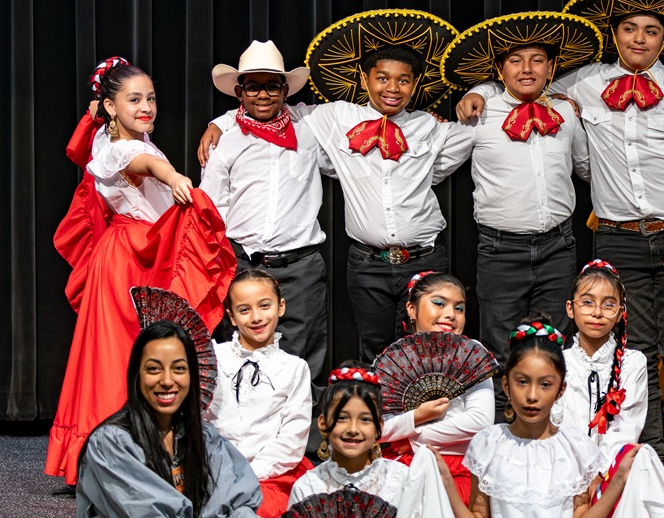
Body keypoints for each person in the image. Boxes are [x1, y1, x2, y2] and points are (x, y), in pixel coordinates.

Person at [456, 0, 664, 460]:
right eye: (629, 28)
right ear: (615, 34)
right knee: (631, 350)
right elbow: (526, 80)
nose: (639, 39)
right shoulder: (584, 83)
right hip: (617, 237)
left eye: (650, 31)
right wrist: (481, 90)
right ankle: (640, 450)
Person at [201, 12, 471, 363]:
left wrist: (479, 97)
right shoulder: (331, 118)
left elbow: (457, 150)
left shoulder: (426, 127)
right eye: (382, 78)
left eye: (403, 81)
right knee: (370, 345)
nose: (392, 87)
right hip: (330, 261)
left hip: (415, 255)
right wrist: (218, 122)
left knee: (426, 344)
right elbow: (255, 118)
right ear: (364, 79)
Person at [50, 57, 234, 485]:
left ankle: (118, 455)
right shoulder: (122, 148)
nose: (146, 106)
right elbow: (148, 165)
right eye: (133, 100)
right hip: (133, 257)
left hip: (134, 251)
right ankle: (120, 456)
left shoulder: (105, 137)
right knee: (123, 356)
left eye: (150, 98)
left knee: (128, 354)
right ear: (111, 106)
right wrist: (174, 178)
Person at [437, 11, 601, 371]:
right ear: (500, 70)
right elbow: (436, 169)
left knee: (554, 347)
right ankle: (501, 422)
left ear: (551, 66)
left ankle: (551, 426)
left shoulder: (565, 113)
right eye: (515, 60)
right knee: (500, 347)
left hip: (559, 248)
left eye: (537, 60)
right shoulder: (479, 114)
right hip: (500, 251)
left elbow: (587, 168)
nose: (526, 69)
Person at [198, 40, 333, 412]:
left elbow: (355, 120)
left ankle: (303, 445)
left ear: (285, 89)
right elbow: (211, 207)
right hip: (243, 262)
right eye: (253, 86)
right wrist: (218, 122)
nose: (262, 94)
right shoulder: (225, 139)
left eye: (272, 85)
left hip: (301, 265)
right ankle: (242, 434)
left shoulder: (310, 128)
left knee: (304, 356)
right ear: (239, 91)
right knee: (239, 350)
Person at [442, 316, 637, 518]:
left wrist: (618, 480)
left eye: (545, 384)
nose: (532, 395)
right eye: (522, 382)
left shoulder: (575, 447)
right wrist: (446, 484)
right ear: (506, 385)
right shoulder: (488, 444)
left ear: (560, 389)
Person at [76, 321, 268, 518]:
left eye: (178, 369)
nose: (167, 381)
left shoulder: (202, 436)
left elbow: (229, 501)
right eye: (154, 369)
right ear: (136, 375)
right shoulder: (110, 443)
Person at [285, 363, 469, 518]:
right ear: (323, 423)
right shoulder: (308, 486)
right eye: (342, 418)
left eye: (365, 420)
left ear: (380, 427)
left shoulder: (402, 480)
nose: (353, 429)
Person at [205, 269, 314, 518]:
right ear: (231, 316)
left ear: (281, 306)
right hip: (215, 471)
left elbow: (291, 440)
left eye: (265, 306)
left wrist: (247, 474)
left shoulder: (294, 368)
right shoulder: (214, 358)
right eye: (244, 310)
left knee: (256, 514)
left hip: (268, 476)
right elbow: (201, 422)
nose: (256, 317)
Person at [376, 271, 493, 504]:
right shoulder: (394, 360)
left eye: (459, 309)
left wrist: (413, 437)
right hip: (404, 465)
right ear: (412, 309)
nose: (450, 314)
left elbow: (481, 420)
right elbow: (376, 427)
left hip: (460, 464)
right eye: (439, 304)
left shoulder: (472, 353)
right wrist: (418, 416)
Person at [555, 259, 648, 458]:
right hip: (565, 468)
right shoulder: (557, 363)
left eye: (608, 304)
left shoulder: (633, 363)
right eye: (587, 302)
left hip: (613, 474)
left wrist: (601, 475)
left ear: (619, 313)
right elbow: (557, 427)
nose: (597, 312)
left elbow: (627, 430)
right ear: (570, 308)